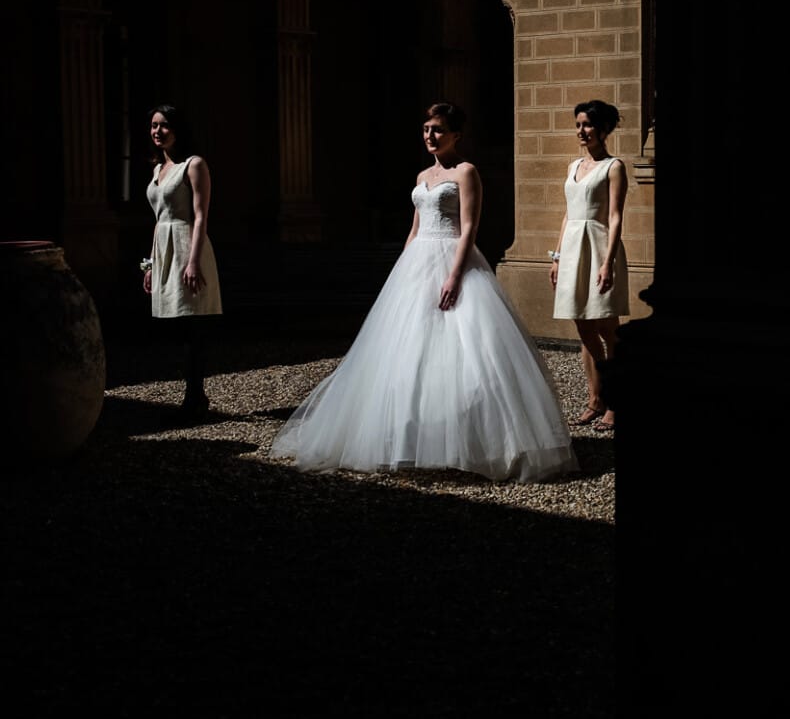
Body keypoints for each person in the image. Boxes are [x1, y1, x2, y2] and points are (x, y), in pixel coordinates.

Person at [271, 102, 577, 482]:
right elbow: (415, 229)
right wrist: (402, 270)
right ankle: (406, 437)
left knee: (466, 355)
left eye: (438, 130)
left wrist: (454, 275)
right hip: (417, 263)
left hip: (452, 258)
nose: (430, 136)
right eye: (427, 129)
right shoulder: (422, 175)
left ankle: (475, 441)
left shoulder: (466, 172)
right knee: (404, 356)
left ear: (456, 135)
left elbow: (469, 229)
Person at [550, 99, 630, 433]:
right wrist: (556, 257)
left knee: (607, 328)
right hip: (572, 248)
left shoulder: (614, 167)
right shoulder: (573, 166)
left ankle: (615, 401)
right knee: (582, 325)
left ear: (603, 129)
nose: (582, 131)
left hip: (599, 247)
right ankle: (595, 397)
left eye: (588, 125)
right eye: (578, 124)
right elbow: (569, 213)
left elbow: (614, 217)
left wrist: (608, 262)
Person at [142, 103, 222, 416]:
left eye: (163, 125)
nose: (157, 132)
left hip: (188, 245)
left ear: (178, 129)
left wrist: (193, 261)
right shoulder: (157, 169)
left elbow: (201, 216)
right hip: (165, 248)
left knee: (193, 324)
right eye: (153, 126)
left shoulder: (194, 164)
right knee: (178, 327)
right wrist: (150, 265)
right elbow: (158, 221)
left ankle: (195, 396)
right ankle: (193, 394)